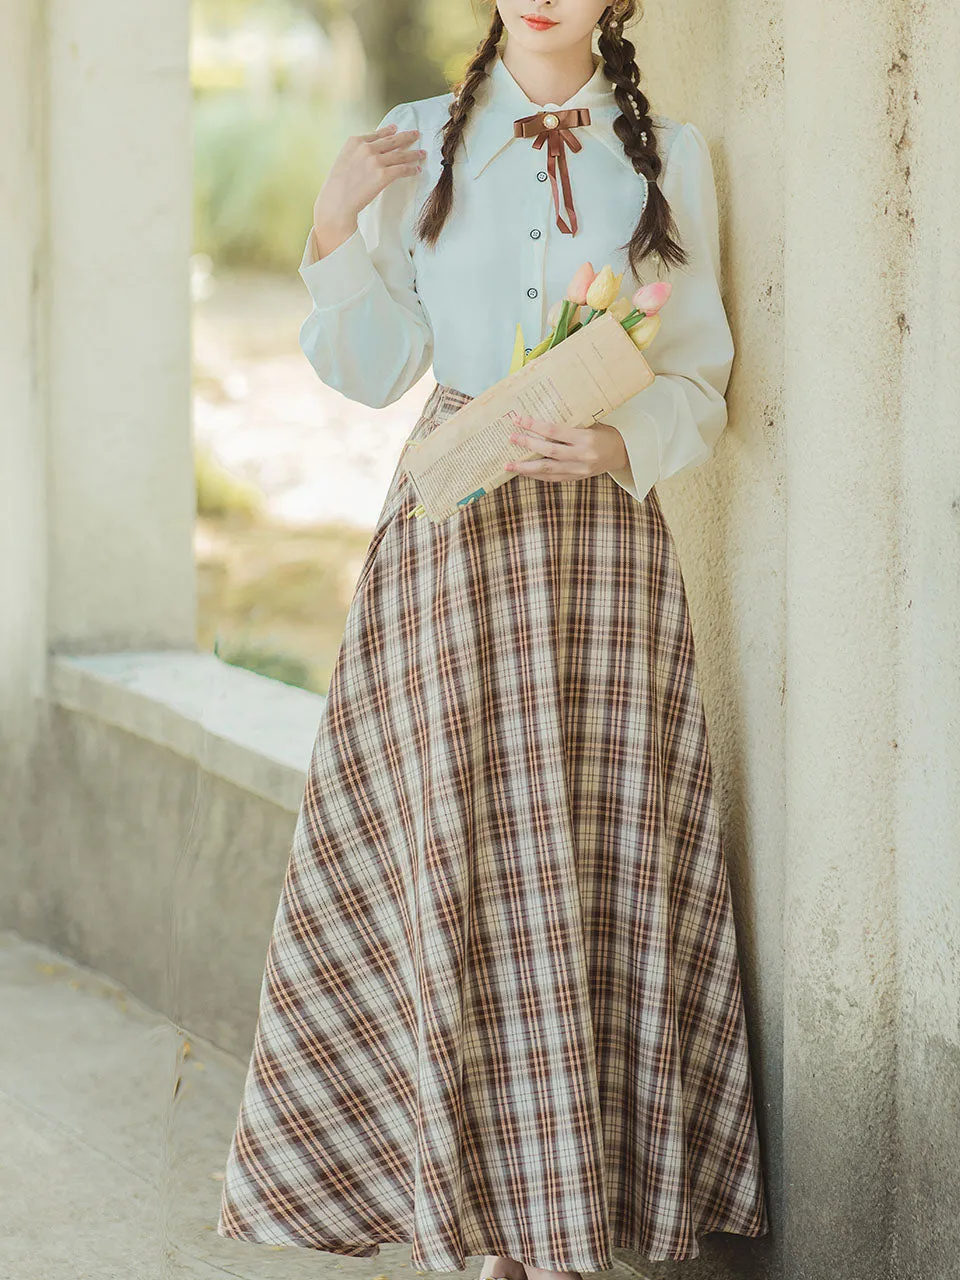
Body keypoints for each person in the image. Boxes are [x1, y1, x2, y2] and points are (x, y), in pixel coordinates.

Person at [216, 2, 771, 1278]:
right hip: (450, 539)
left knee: (591, 846)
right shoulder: (420, 142)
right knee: (453, 849)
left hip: (600, 553)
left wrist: (620, 443)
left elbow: (699, 374)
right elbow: (371, 364)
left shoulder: (673, 156)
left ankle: (574, 1220)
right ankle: (478, 1226)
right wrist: (329, 223)